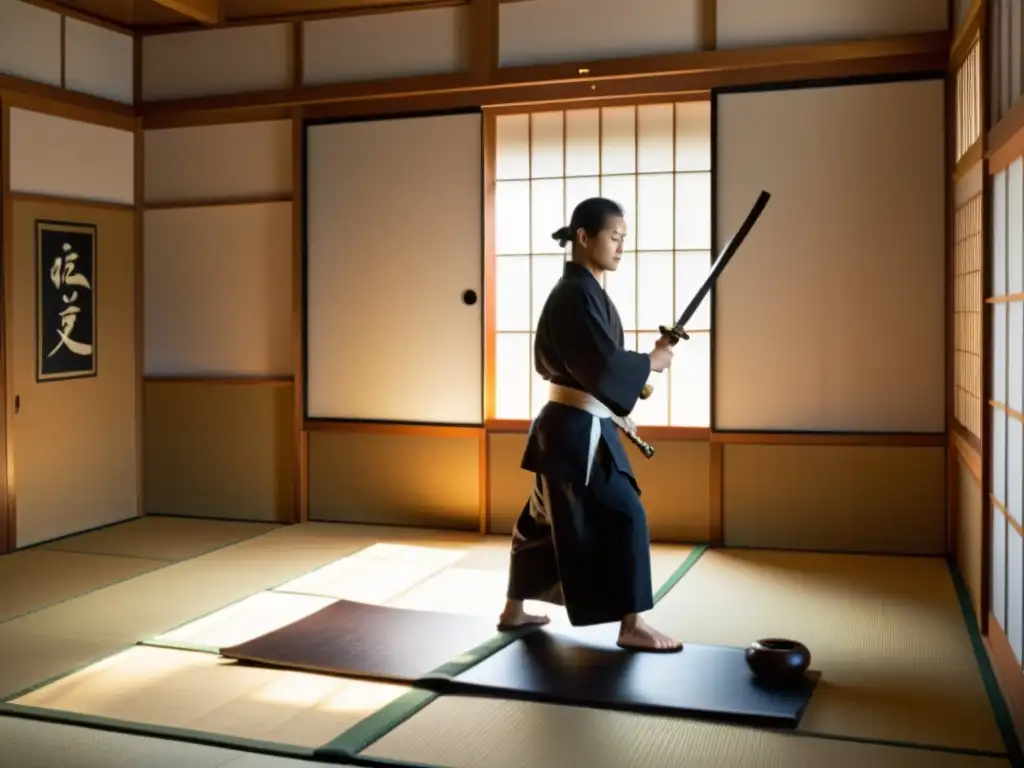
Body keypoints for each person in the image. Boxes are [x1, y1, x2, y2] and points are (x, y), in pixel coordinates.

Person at [497, 196, 682, 653]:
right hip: (576, 433)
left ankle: (514, 609)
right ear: (584, 237)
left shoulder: (586, 294)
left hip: (564, 430)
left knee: (540, 522)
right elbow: (601, 365)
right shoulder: (575, 295)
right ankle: (631, 624)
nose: (621, 247)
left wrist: (639, 367)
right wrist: (649, 363)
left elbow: (597, 364)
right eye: (614, 237)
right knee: (626, 515)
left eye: (624, 239)